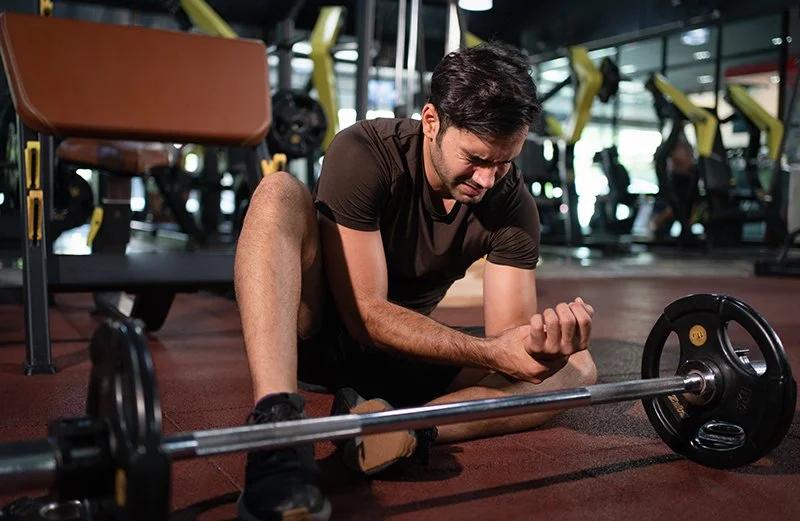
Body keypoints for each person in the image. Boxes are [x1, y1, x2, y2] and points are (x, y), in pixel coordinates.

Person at [233, 41, 597, 521]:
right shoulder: (364, 151)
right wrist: (492, 351)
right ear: (431, 121)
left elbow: (510, 347)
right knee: (278, 191)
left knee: (578, 368)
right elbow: (366, 314)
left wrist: (541, 347)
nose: (488, 179)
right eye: (476, 158)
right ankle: (276, 435)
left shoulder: (510, 204)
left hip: (404, 358)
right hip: (317, 337)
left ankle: (403, 431)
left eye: (504, 162)